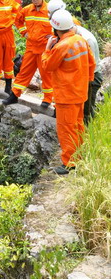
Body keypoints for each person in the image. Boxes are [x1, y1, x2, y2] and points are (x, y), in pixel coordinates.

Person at [41, 9, 95, 175]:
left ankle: (70, 163)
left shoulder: (61, 46)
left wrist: (47, 49)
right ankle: (79, 155)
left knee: (66, 129)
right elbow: (92, 64)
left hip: (66, 95)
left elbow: (47, 66)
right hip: (80, 92)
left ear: (56, 29)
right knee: (78, 126)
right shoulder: (80, 40)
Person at [3, 0, 53, 107]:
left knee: (46, 75)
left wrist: (53, 37)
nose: (35, 0)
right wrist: (24, 32)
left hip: (44, 49)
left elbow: (60, 25)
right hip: (31, 48)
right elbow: (18, 20)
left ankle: (47, 99)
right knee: (24, 73)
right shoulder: (27, 10)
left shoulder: (50, 11)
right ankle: (14, 95)